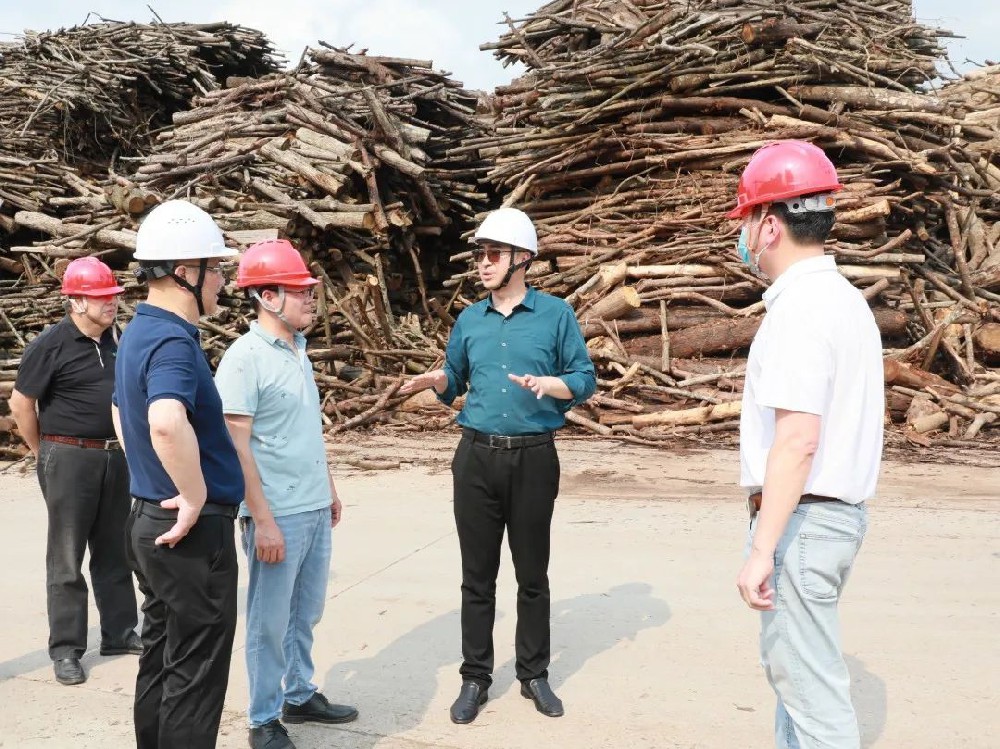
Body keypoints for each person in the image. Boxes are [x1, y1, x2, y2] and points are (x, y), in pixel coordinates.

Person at [398, 207, 596, 724]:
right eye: (479, 255)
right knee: (476, 576)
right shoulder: (468, 319)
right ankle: (475, 677)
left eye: (493, 254)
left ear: (523, 259)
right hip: (476, 458)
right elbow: (456, 381)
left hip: (533, 458)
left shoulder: (555, 315)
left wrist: (555, 387)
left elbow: (584, 376)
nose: (482, 263)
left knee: (532, 574)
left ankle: (534, 673)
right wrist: (437, 382)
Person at [730, 140, 884, 749]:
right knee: (797, 691)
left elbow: (797, 439)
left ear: (769, 224)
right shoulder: (847, 302)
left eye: (745, 221)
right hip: (833, 520)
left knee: (813, 698)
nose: (742, 236)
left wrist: (763, 546)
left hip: (802, 522)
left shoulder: (799, 311)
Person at [112, 199, 244, 749]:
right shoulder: (171, 341)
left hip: (147, 520)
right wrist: (191, 494)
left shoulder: (136, 332)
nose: (222, 283)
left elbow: (120, 412)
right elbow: (164, 421)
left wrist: (149, 473)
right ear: (184, 272)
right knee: (195, 675)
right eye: (216, 270)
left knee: (163, 658)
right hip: (190, 535)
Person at [215, 240, 357, 749]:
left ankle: (299, 693)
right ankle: (262, 719)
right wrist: (263, 519)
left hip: (313, 504)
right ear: (268, 297)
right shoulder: (244, 359)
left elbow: (303, 431)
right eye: (301, 291)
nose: (311, 299)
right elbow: (237, 448)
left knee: (306, 611)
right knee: (269, 621)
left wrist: (329, 487)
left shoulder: (298, 351)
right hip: (277, 512)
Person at [10, 257, 140, 687]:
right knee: (66, 557)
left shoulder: (116, 340)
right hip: (67, 457)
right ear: (77, 301)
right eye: (102, 296)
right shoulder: (51, 344)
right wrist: (43, 451)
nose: (112, 303)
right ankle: (66, 649)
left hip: (113, 456)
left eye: (114, 295)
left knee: (115, 549)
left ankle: (120, 633)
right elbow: (21, 404)